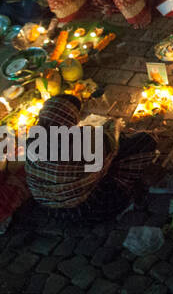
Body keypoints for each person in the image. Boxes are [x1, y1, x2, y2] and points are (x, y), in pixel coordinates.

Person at [26, 95, 156, 222]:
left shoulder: (32, 141)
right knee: (144, 141)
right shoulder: (81, 141)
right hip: (90, 206)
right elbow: (111, 149)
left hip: (50, 209)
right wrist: (112, 127)